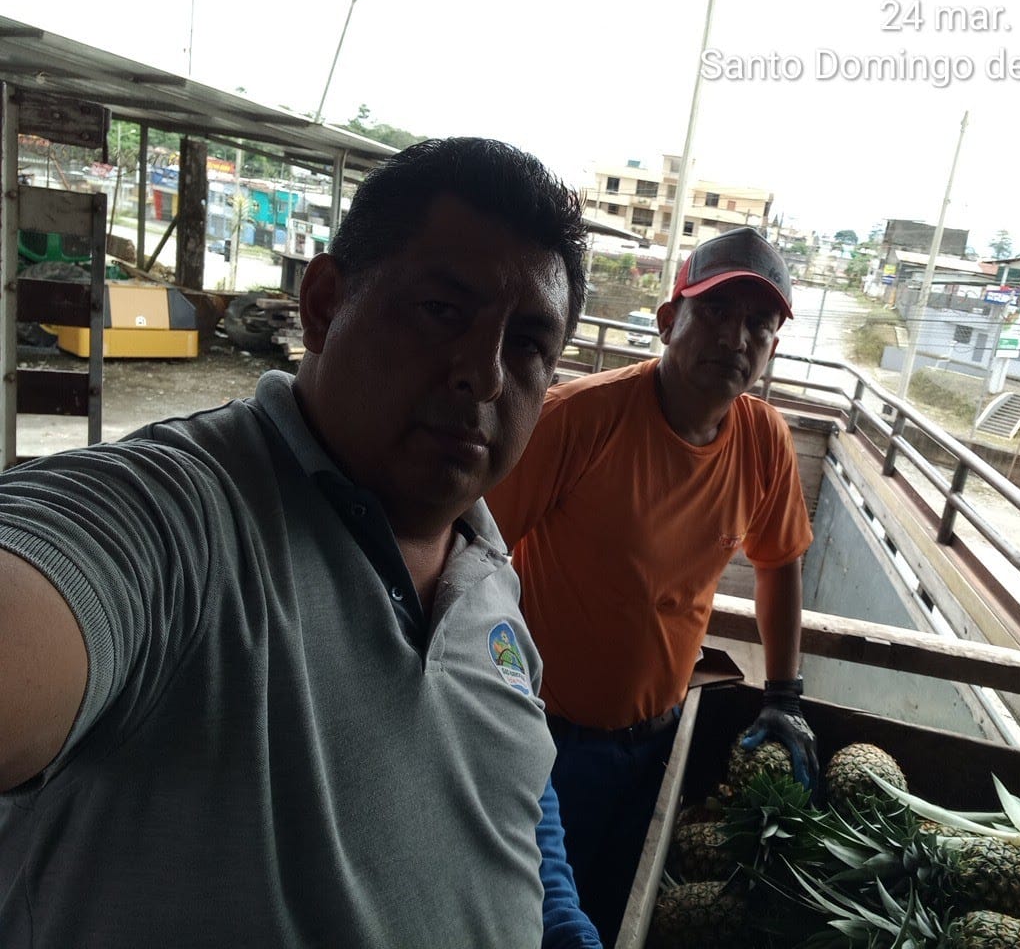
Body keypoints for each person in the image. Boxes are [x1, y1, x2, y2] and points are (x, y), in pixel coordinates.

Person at [0, 137, 602, 948]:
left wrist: (562, 923)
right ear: (323, 305)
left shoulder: (490, 576)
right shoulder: (183, 516)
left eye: (527, 343)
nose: (485, 375)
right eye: (442, 311)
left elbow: (508, 788)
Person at [487, 226, 819, 943]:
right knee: (523, 918)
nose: (736, 337)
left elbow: (779, 563)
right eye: (716, 311)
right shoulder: (578, 418)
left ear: (772, 347)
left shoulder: (764, 441)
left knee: (619, 909)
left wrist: (784, 696)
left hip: (660, 741)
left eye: (759, 323)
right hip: (545, 742)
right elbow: (472, 556)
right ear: (669, 321)